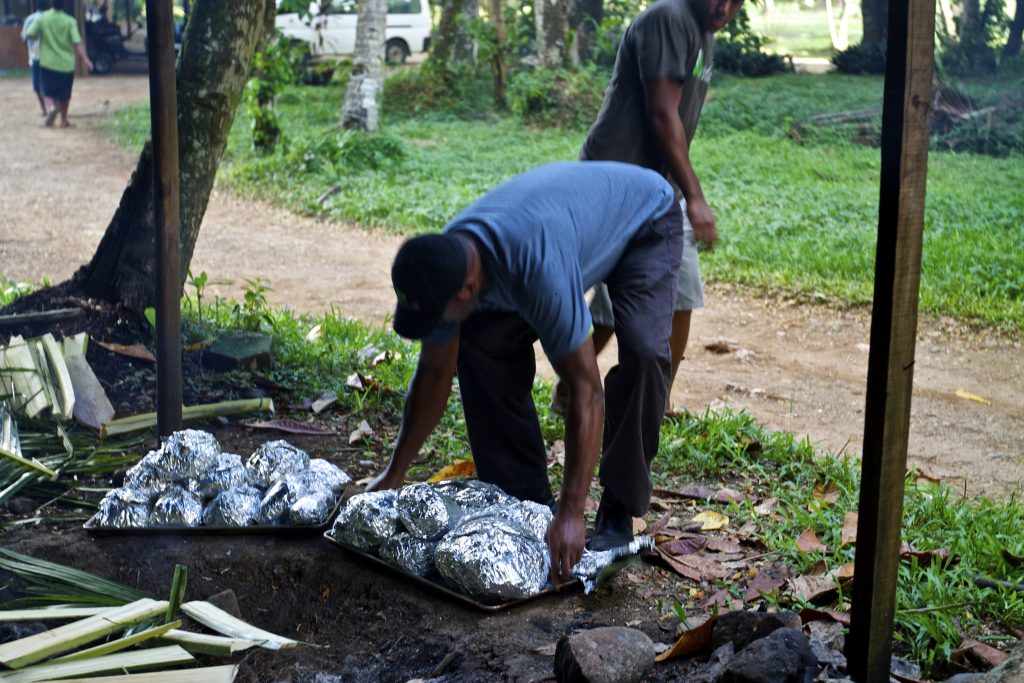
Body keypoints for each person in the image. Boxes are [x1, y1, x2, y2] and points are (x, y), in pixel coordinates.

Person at [368, 161, 684, 582]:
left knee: (645, 354)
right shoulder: (443, 265)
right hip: (569, 226)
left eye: (440, 319)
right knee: (478, 342)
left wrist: (573, 511)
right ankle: (525, 506)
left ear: (468, 288)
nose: (438, 328)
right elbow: (433, 375)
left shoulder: (536, 265)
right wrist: (395, 473)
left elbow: (586, 391)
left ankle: (617, 510)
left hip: (646, 218)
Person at [553, 0, 744, 416]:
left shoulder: (703, 31)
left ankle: (657, 401)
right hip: (616, 184)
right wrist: (696, 197)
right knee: (610, 306)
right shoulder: (669, 19)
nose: (725, 8)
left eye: (737, 1)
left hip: (658, 189)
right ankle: (573, 389)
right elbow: (662, 114)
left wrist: (681, 191)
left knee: (681, 294)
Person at [27, 0, 94, 128]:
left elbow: (30, 33)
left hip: (47, 62)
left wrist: (40, 38)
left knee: (47, 91)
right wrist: (86, 59)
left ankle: (52, 107)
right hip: (66, 64)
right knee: (65, 93)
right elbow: (77, 42)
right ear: (64, 5)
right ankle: (63, 120)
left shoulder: (42, 18)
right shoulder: (70, 21)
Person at [20, 1, 47, 116]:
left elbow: (24, 37)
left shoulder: (30, 19)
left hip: (35, 55)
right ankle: (54, 106)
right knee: (51, 83)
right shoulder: (49, 19)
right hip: (51, 57)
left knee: (37, 85)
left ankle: (44, 108)